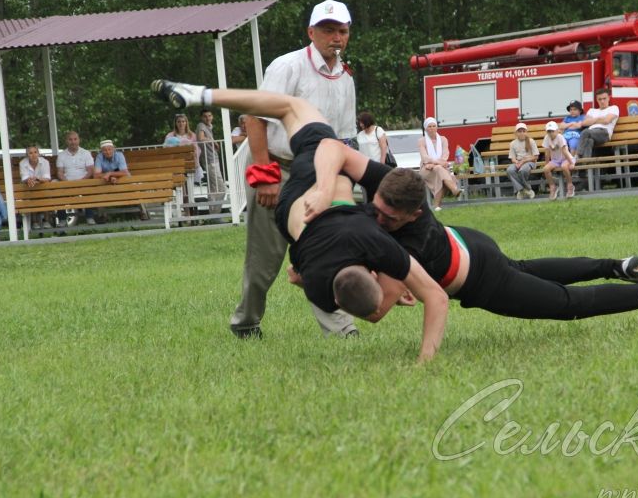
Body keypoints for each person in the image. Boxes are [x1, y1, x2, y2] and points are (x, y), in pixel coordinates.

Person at [152, 79, 449, 362]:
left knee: (290, 106)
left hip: (321, 188)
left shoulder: (372, 236)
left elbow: (425, 290)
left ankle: (201, 94)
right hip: (291, 209)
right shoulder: (318, 288)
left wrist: (323, 189)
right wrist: (391, 293)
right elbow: (297, 276)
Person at [307, 136, 638, 330]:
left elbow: (375, 310)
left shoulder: (409, 240)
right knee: (524, 267)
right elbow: (333, 149)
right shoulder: (394, 187)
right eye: (375, 210)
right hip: (468, 242)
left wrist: (325, 279)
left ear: (412, 215)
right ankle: (613, 265)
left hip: (481, 277)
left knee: (567, 304)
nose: (378, 220)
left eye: (388, 219)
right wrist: (326, 187)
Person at [230, 0, 358, 339]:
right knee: (266, 258)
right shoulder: (288, 67)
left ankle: (342, 328)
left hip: (319, 174)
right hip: (277, 165)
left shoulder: (345, 78)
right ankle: (246, 322)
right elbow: (253, 116)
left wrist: (341, 183)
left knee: (324, 248)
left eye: (342, 31)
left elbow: (344, 139)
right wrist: (265, 175)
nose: (335, 37)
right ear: (311, 32)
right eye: (328, 30)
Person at [419, 117, 460, 211]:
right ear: (426, 128)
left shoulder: (443, 139)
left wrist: (435, 164)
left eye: (434, 126)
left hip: (438, 167)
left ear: (437, 127)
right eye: (429, 126)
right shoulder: (421, 141)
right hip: (426, 168)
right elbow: (425, 157)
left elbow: (446, 154)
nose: (432, 128)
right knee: (439, 169)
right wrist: (437, 163)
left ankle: (436, 206)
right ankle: (454, 189)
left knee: (438, 171)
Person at [56, 131, 95, 226]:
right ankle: (62, 219)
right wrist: (67, 183)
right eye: (70, 139)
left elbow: (90, 171)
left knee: (90, 189)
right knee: (57, 191)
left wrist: (82, 182)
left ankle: (90, 217)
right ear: (66, 141)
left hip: (83, 182)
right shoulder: (61, 155)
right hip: (67, 182)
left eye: (75, 139)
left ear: (79, 140)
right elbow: (60, 172)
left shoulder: (86, 153)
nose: (73, 142)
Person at [194, 109, 226, 214]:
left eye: (209, 115)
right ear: (201, 118)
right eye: (205, 116)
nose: (207, 118)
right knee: (221, 187)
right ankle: (215, 213)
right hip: (209, 160)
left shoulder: (209, 127)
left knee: (213, 188)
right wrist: (214, 141)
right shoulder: (201, 125)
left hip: (213, 159)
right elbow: (201, 138)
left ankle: (213, 214)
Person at [576, 88, 619, 161]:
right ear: (596, 100)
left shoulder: (613, 108)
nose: (602, 101)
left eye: (604, 98)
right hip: (591, 133)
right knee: (588, 141)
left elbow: (606, 120)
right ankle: (586, 166)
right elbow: (585, 123)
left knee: (585, 132)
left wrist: (593, 120)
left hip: (604, 133)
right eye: (600, 99)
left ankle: (577, 155)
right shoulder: (592, 110)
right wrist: (598, 119)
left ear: (609, 98)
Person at [19, 144, 53, 228]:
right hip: (29, 187)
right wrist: (30, 180)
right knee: (31, 192)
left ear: (38, 153)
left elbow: (47, 178)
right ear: (27, 155)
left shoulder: (45, 162)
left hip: (42, 187)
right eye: (30, 153)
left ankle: (47, 220)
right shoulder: (22, 163)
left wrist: (37, 179)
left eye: (35, 152)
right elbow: (25, 178)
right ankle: (34, 221)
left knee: (45, 193)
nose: (33, 155)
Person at [542, 121, 576, 199]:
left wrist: (571, 163)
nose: (550, 133)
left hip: (566, 158)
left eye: (552, 131)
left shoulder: (560, 137)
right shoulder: (546, 138)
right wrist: (547, 163)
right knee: (546, 169)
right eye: (549, 131)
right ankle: (553, 187)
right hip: (555, 160)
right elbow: (547, 153)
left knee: (564, 167)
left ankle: (570, 185)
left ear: (557, 131)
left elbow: (565, 151)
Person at [506, 122, 539, 199]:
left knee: (523, 170)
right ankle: (524, 189)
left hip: (530, 162)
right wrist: (516, 162)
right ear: (516, 133)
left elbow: (535, 156)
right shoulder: (513, 143)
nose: (522, 133)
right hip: (519, 161)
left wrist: (523, 161)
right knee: (510, 170)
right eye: (519, 131)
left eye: (524, 131)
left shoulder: (531, 141)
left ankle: (521, 190)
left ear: (526, 132)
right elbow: (513, 158)